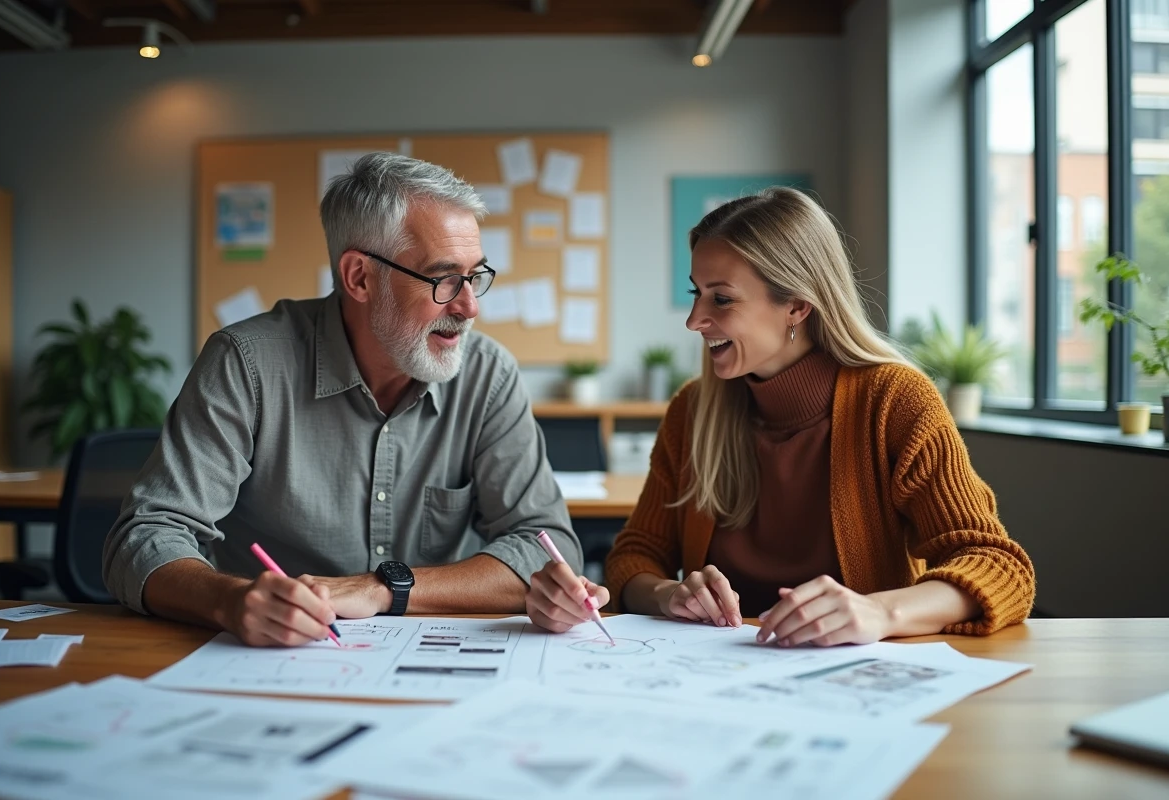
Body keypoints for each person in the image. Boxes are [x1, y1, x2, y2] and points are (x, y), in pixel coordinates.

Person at [103, 153, 592, 646]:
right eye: (444, 279)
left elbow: (548, 547)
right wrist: (231, 600)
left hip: (436, 660)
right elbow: (143, 537)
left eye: (476, 275)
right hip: (274, 658)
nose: (470, 306)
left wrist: (384, 589)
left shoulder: (487, 374)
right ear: (359, 277)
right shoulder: (247, 363)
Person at [583, 187, 1033, 646]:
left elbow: (998, 566)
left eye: (721, 299)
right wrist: (668, 594)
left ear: (797, 306)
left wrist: (880, 612)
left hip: (854, 682)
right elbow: (633, 557)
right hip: (718, 678)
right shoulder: (693, 410)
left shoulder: (895, 401)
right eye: (696, 293)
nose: (694, 319)